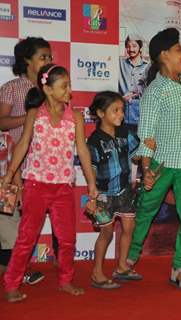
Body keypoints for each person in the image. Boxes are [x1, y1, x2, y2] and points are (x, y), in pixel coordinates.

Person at [127, 28, 181, 291]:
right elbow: (146, 135)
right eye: (178, 50)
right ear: (164, 55)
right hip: (161, 162)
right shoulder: (154, 91)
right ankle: (129, 256)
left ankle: (180, 268)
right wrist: (147, 170)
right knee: (146, 209)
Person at [1, 64, 98, 302]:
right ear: (47, 88)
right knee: (26, 237)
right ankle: (11, 284)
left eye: (69, 85)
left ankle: (66, 280)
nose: (70, 91)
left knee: (67, 239)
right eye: (64, 86)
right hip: (35, 184)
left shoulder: (75, 117)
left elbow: (83, 151)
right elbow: (23, 144)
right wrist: (10, 173)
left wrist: (92, 184)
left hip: (63, 187)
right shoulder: (35, 114)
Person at [0, 37, 53, 286]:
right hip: (12, 165)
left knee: (28, 223)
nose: (48, 61)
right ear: (26, 61)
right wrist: (29, 117)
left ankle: (18, 268)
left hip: (42, 167)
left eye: (50, 57)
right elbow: (1, 122)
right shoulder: (12, 87)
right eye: (43, 57)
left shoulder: (52, 90)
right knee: (10, 221)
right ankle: (16, 269)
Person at [86, 91, 141, 290]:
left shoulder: (126, 133)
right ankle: (97, 272)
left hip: (125, 191)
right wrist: (92, 196)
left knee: (129, 228)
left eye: (122, 110)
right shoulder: (94, 141)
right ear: (100, 113)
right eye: (115, 110)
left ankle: (121, 266)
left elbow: (138, 154)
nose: (121, 115)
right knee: (107, 233)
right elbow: (90, 168)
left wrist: (147, 152)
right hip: (103, 195)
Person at [119, 34, 149, 131]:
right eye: (128, 46)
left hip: (139, 115)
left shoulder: (148, 67)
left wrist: (137, 94)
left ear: (140, 47)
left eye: (134, 46)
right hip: (121, 114)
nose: (131, 49)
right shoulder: (120, 63)